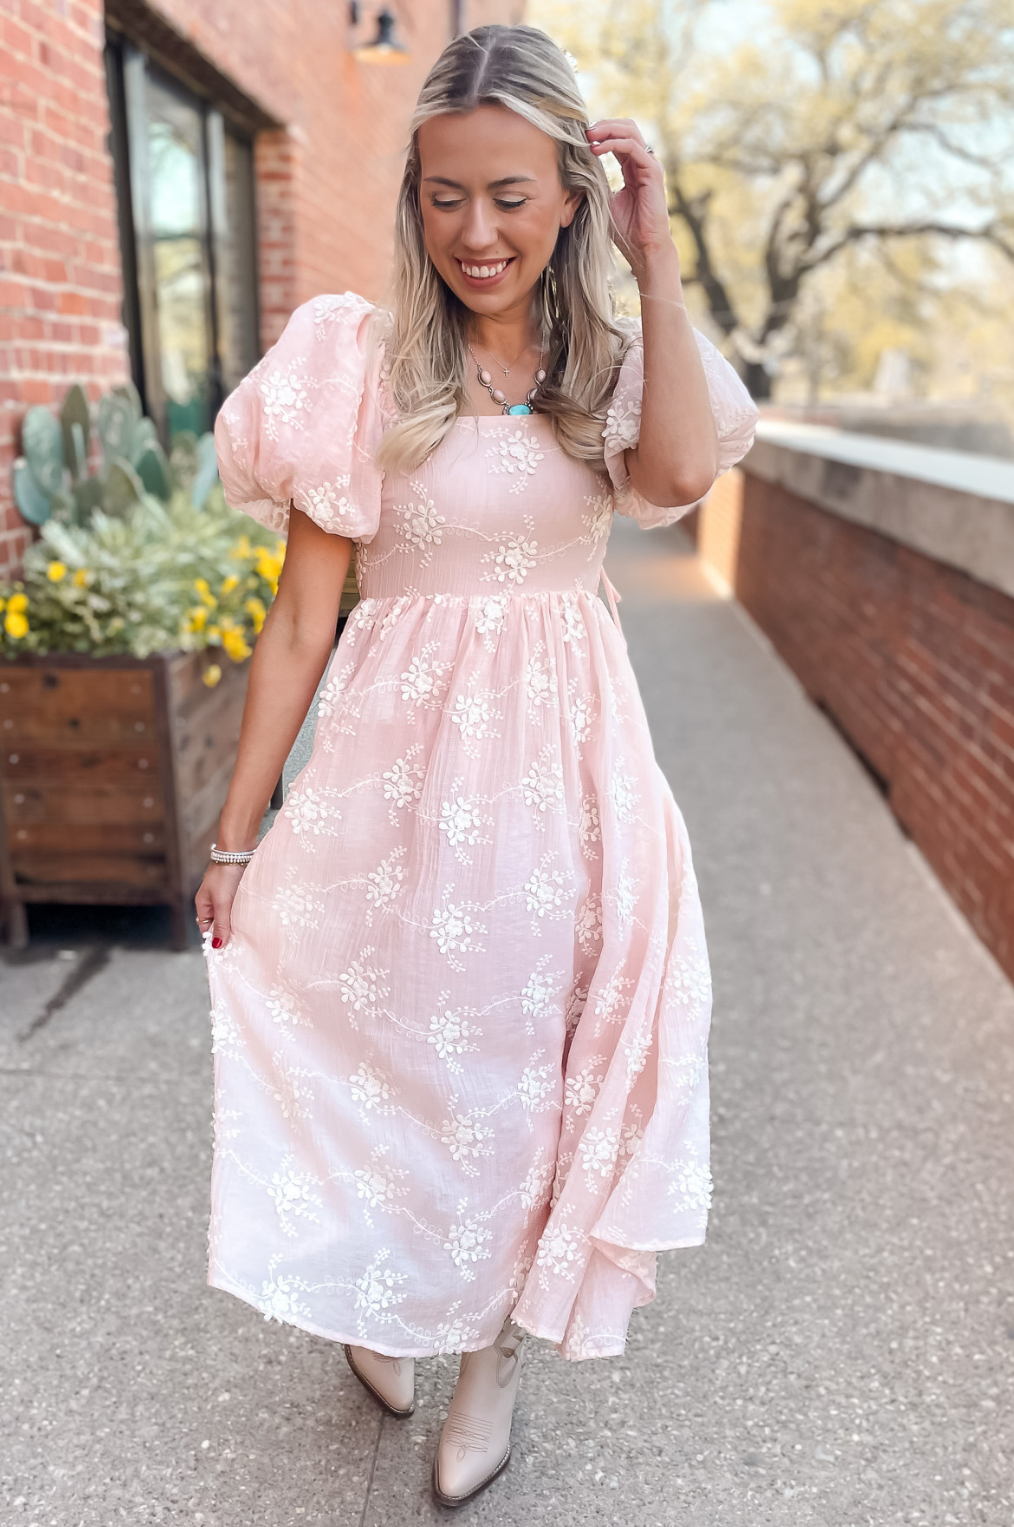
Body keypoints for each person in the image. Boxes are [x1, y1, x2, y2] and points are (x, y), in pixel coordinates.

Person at [196, 22, 759, 1509]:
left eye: (511, 195)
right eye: (446, 196)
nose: (477, 232)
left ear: (571, 193)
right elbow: (303, 619)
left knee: (526, 1072)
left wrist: (656, 257)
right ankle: (388, 1294)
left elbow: (681, 477)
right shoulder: (356, 361)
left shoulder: (614, 361)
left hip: (567, 780)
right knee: (392, 1052)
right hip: (389, 782)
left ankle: (493, 1357)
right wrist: (238, 834)